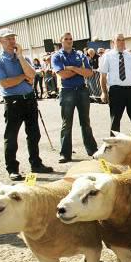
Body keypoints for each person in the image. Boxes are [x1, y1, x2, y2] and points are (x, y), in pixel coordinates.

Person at [0, 27, 54, 180]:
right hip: (13, 101)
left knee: (34, 134)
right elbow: (5, 83)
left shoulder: (23, 58)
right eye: (8, 38)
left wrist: (19, 56)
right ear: (1, 41)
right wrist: (22, 77)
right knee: (11, 136)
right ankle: (12, 168)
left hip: (29, 99)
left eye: (13, 38)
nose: (12, 41)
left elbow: (32, 75)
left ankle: (36, 163)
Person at [52, 32, 99, 164]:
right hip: (67, 91)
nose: (69, 41)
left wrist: (72, 68)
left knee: (85, 122)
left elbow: (89, 73)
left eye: (71, 39)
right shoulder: (57, 56)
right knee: (67, 124)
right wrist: (79, 70)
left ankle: (92, 150)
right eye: (66, 39)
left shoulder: (80, 54)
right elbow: (63, 74)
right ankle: (65, 153)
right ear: (61, 41)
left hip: (82, 90)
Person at [98, 33, 131, 139]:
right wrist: (104, 92)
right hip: (116, 90)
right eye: (119, 40)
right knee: (115, 119)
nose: (121, 42)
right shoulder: (107, 56)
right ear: (113, 42)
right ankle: (113, 143)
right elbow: (103, 76)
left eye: (123, 40)